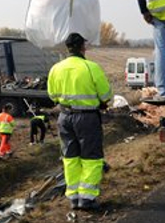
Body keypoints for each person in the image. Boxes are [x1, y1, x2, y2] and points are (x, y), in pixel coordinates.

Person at [48, 33, 112, 210]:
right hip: (87, 117)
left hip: (65, 117)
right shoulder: (91, 67)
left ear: (67, 48)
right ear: (82, 47)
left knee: (70, 157)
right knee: (91, 158)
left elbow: (52, 95)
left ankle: (74, 198)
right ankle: (87, 199)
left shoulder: (56, 68)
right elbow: (106, 95)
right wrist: (102, 103)